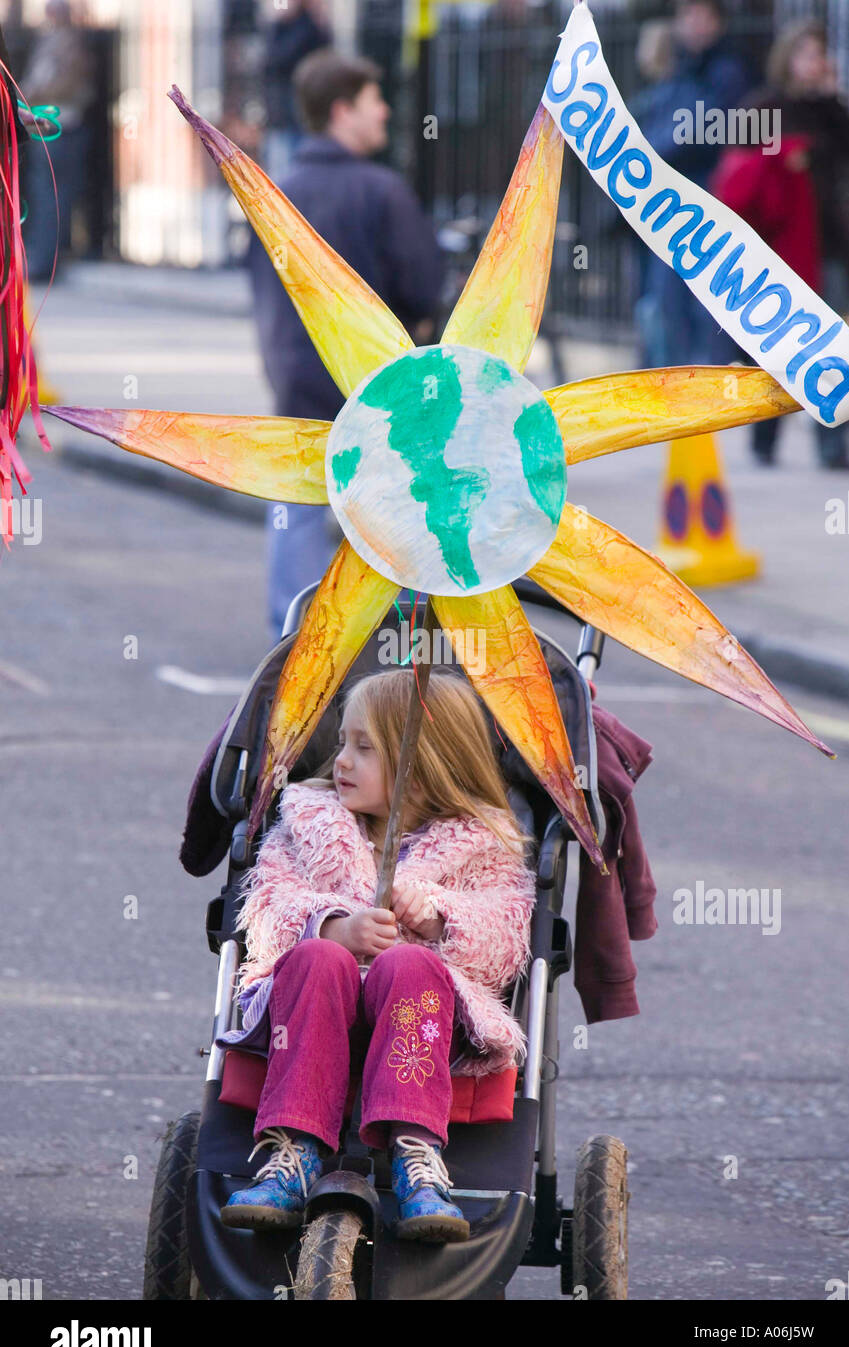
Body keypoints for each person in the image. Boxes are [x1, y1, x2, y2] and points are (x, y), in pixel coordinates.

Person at [216, 669, 536, 1243]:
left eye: (363, 748)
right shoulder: (309, 824)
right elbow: (265, 904)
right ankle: (295, 1150)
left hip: (423, 1024)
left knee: (408, 964)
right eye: (342, 742)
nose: (341, 760)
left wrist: (439, 916)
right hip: (310, 1013)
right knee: (318, 957)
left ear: (422, 770)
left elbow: (505, 941)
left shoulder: (484, 845)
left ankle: (417, 1152)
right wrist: (333, 926)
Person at [247, 49, 444, 644]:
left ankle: (297, 637)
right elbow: (422, 285)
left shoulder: (276, 193)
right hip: (378, 385)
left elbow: (260, 285)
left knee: (301, 508)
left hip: (296, 375)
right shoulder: (382, 191)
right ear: (342, 111)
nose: (384, 111)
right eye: (372, 101)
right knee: (401, 508)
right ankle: (405, 640)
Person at [711, 21, 849, 470]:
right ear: (788, 58)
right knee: (780, 346)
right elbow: (735, 170)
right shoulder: (765, 107)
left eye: (820, 54)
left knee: (831, 345)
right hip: (777, 248)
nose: (815, 63)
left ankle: (831, 444)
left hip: (830, 246)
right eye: (807, 53)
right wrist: (782, 157)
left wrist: (833, 104)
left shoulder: (834, 110)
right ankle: (765, 433)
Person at [636, 0, 752, 367]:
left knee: (703, 311)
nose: (694, 23)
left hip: (706, 205)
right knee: (664, 310)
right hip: (670, 207)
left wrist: (659, 150)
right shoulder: (678, 72)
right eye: (688, 15)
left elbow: (710, 129)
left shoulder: (728, 71)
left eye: (703, 15)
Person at [20, 0, 95, 282]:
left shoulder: (65, 45)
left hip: (57, 126)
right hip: (50, 124)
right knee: (48, 195)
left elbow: (58, 85)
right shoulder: (56, 41)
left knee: (50, 195)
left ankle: (45, 260)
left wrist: (31, 95)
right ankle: (45, 257)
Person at [257, 0, 330, 186]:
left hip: (298, 116)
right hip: (281, 116)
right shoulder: (280, 28)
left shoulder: (309, 27)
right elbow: (271, 62)